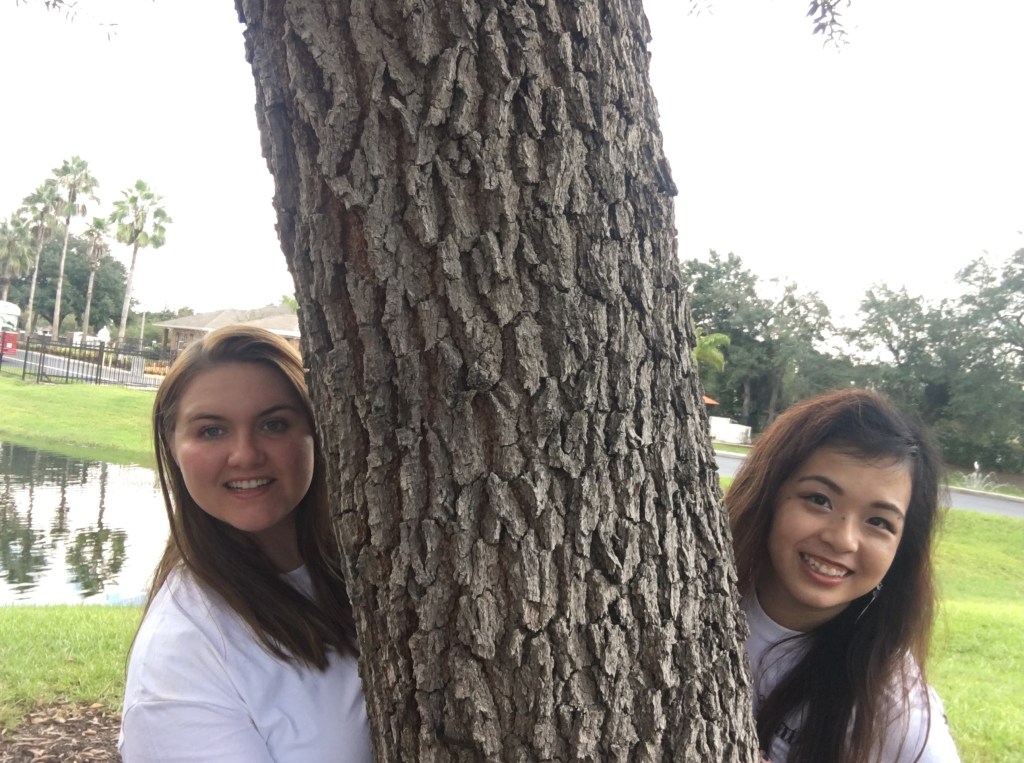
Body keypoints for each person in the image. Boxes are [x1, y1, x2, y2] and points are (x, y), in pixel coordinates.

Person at [119, 326, 371, 762]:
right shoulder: (180, 659)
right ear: (173, 447)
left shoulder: (368, 569)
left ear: (317, 433)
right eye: (212, 431)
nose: (246, 454)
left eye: (274, 424)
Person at [727, 389, 961, 763]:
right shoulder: (689, 598)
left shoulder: (895, 709)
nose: (842, 539)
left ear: (901, 551)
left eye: (878, 522)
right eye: (819, 499)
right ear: (769, 494)